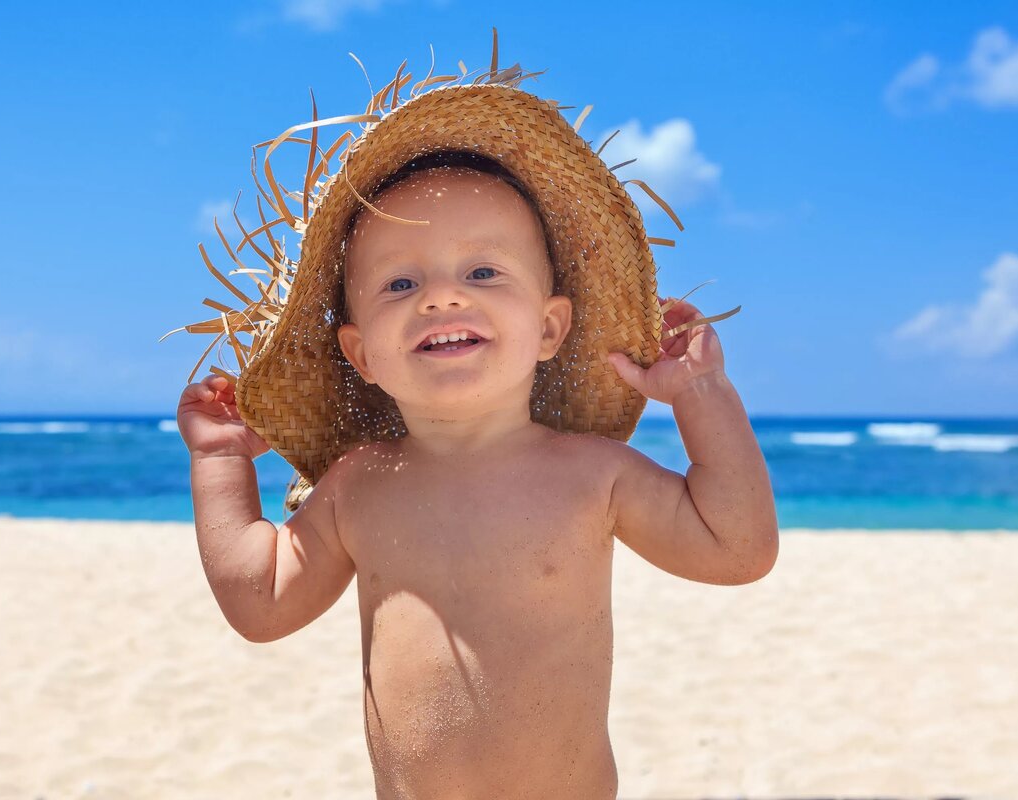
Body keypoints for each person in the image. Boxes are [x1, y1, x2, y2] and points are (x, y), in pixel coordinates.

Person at [173, 31, 777, 800]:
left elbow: (739, 549)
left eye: (484, 270)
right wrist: (221, 459)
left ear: (550, 328)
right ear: (360, 354)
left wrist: (702, 396)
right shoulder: (361, 486)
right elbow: (261, 603)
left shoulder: (592, 476)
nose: (441, 295)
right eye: (399, 284)